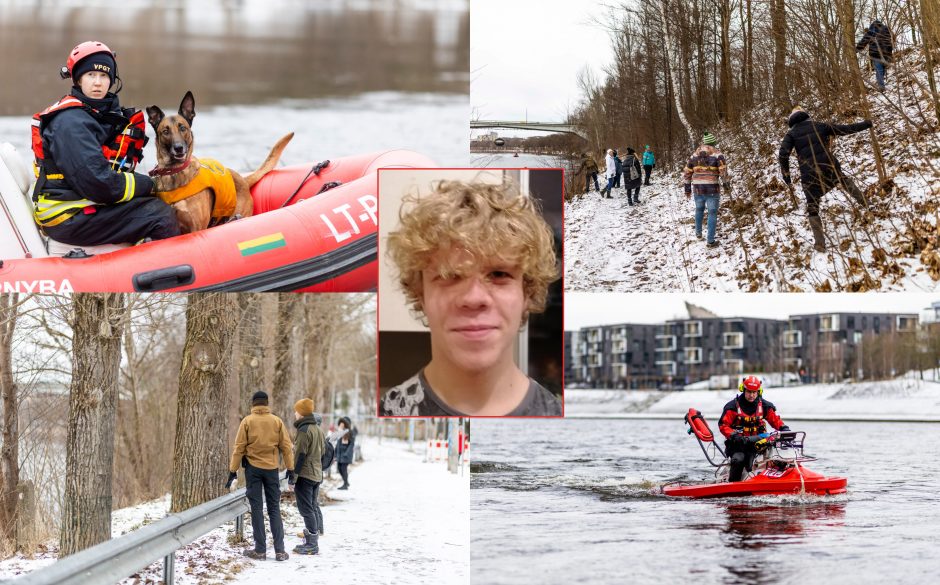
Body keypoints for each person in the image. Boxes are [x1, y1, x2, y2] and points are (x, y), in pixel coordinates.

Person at [381, 181, 561, 416]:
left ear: (527, 291)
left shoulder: (558, 416)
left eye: (499, 274)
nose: (474, 298)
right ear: (420, 293)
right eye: (449, 275)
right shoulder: (388, 411)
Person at [31, 41, 179, 246]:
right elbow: (98, 184)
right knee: (160, 215)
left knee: (161, 203)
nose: (98, 83)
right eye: (90, 75)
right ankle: (167, 274)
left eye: (104, 76)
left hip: (84, 204)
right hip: (68, 215)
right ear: (78, 79)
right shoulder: (70, 122)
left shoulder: (95, 115)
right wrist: (152, 185)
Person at [778, 106, 871, 252]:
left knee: (812, 207)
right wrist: (866, 124)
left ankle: (820, 243)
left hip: (809, 175)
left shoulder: (791, 135)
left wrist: (786, 176)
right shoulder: (819, 125)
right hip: (828, 166)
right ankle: (866, 204)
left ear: (791, 121)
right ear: (805, 116)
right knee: (844, 181)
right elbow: (844, 130)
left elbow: (783, 154)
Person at [227, 391, 294, 561]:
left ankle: (260, 550)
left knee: (256, 509)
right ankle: (280, 550)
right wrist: (291, 469)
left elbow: (239, 448)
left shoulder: (247, 421)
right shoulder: (276, 421)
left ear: (254, 404)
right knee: (274, 508)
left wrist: (232, 471)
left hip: (253, 470)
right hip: (272, 469)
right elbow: (286, 447)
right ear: (266, 403)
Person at [718, 376, 790, 482]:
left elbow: (775, 420)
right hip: (738, 445)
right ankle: (733, 485)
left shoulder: (765, 406)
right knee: (738, 460)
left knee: (779, 456)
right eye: (749, 392)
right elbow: (723, 425)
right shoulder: (732, 407)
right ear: (743, 389)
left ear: (758, 391)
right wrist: (734, 436)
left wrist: (784, 428)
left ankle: (782, 478)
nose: (752, 395)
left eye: (754, 392)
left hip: (759, 443)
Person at [289, 398, 325, 555]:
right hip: (317, 473)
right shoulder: (317, 429)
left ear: (302, 413)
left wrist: (292, 478)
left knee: (306, 509)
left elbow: (299, 456)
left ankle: (312, 544)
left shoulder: (304, 430)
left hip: (305, 475)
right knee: (311, 506)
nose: (295, 413)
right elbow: (323, 451)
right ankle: (312, 536)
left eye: (296, 411)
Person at [683, 131, 728, 248]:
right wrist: (726, 185)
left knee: (699, 209)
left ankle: (698, 233)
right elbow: (723, 172)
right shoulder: (718, 154)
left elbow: (687, 173)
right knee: (712, 213)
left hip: (698, 188)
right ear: (713, 143)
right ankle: (710, 241)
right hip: (712, 188)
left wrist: (687, 189)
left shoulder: (694, 155)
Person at [856, 19, 893, 90]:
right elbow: (889, 41)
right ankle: (881, 83)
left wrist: (858, 49)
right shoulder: (886, 29)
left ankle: (881, 86)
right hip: (886, 53)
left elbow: (864, 40)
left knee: (879, 70)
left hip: (875, 53)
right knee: (883, 68)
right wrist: (890, 54)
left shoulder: (871, 31)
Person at [336, 417, 356, 490]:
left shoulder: (350, 432)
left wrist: (347, 453)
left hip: (346, 455)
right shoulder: (341, 432)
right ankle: (346, 482)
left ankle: (345, 484)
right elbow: (338, 443)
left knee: (343, 469)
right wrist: (336, 453)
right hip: (340, 454)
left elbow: (351, 444)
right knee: (339, 468)